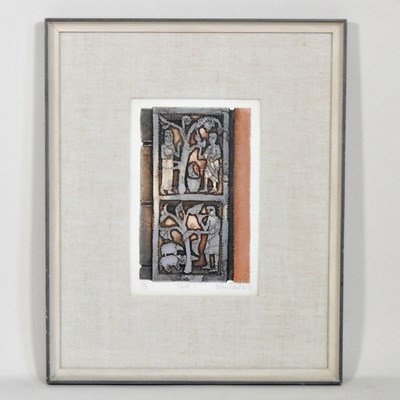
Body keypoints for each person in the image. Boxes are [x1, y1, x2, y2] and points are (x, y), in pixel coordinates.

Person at [202, 206, 221, 271]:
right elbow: (206, 228)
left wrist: (212, 233)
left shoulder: (217, 219)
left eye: (209, 210)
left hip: (215, 238)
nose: (207, 212)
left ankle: (216, 267)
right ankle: (208, 265)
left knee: (215, 252)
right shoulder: (209, 218)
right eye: (207, 210)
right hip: (209, 238)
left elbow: (217, 230)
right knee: (207, 251)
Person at [160, 130, 179, 194]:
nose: (169, 138)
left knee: (170, 176)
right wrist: (169, 154)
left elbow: (176, 154)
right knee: (165, 176)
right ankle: (162, 189)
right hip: (165, 162)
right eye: (167, 136)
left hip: (170, 162)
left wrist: (177, 147)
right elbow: (163, 155)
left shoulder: (172, 146)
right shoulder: (163, 146)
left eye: (170, 136)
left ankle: (169, 189)